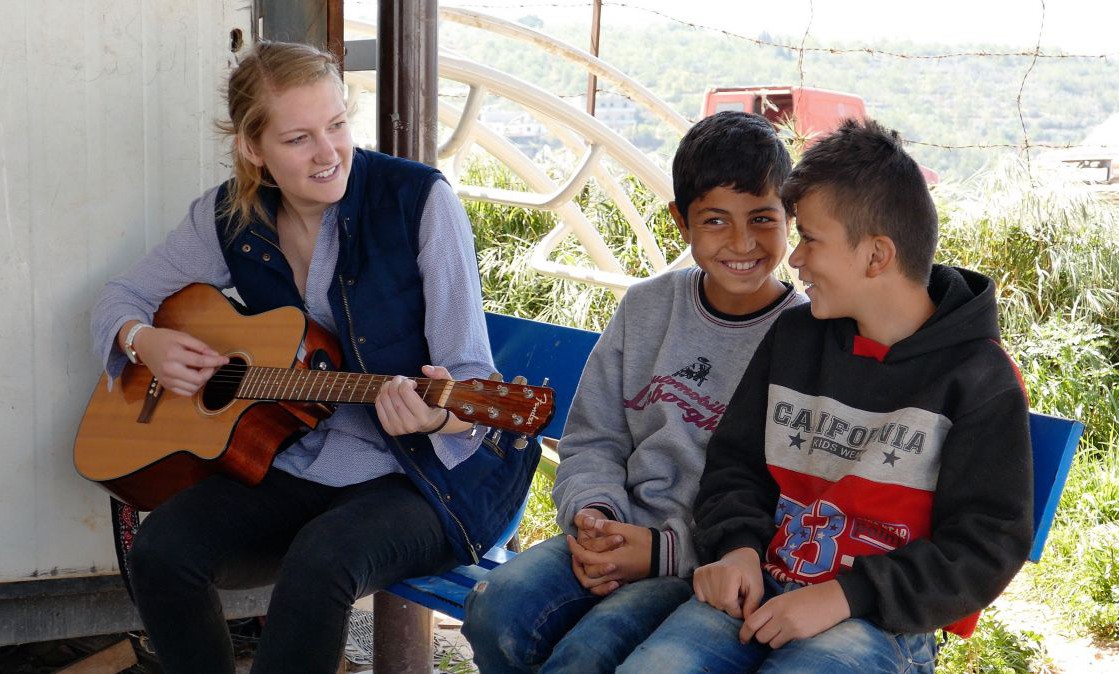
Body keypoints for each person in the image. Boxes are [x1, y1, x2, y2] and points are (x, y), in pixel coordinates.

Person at [89, 41, 538, 674]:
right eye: (299, 138)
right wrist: (144, 341)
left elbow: (472, 380)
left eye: (336, 125)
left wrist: (437, 416)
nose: (329, 154)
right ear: (254, 150)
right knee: (163, 548)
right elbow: (123, 296)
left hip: (430, 472)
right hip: (302, 451)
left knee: (323, 560)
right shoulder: (230, 216)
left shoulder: (418, 203)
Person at [618, 118, 1034, 674]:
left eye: (810, 239)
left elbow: (985, 546)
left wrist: (841, 597)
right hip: (763, 585)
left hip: (881, 622)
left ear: (876, 256)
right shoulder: (795, 339)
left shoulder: (978, 379)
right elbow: (735, 464)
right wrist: (738, 546)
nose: (795, 259)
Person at [461, 111, 805, 674]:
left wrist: (663, 553)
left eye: (762, 218)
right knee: (497, 607)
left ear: (789, 214)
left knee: (588, 654)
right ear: (680, 220)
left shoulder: (804, 336)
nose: (742, 242)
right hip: (620, 530)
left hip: (716, 562)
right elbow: (594, 437)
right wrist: (594, 516)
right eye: (715, 220)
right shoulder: (648, 308)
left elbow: (790, 497)